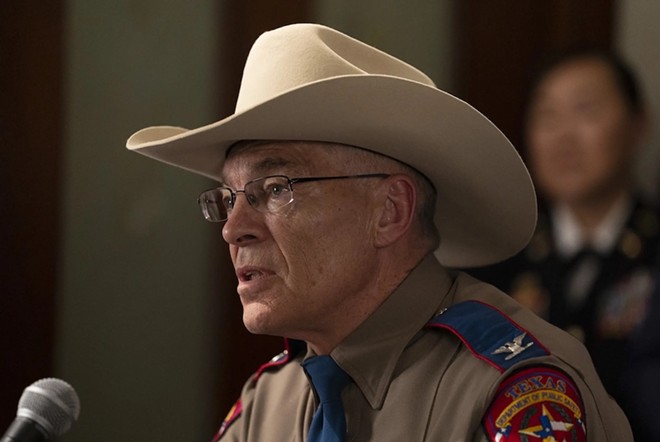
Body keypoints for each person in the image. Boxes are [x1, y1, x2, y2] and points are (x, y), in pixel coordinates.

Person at [127, 24, 632, 441]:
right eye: (229, 199)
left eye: (275, 188)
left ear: (390, 210)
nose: (234, 229)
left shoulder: (508, 391)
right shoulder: (268, 405)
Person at [468, 49, 660, 439]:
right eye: (546, 116)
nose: (563, 136)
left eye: (585, 110)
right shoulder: (498, 258)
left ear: (638, 126)